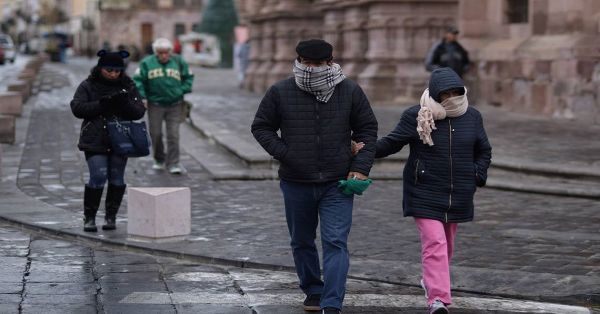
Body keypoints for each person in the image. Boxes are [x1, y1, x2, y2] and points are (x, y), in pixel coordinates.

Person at [251, 39, 378, 314]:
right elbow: (262, 127)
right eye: (308, 64)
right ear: (298, 61)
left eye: (319, 64)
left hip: (338, 182)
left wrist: (361, 166)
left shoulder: (350, 90)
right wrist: (286, 153)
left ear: (330, 63)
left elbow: (367, 131)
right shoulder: (280, 91)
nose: (313, 69)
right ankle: (313, 290)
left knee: (335, 241)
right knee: (301, 240)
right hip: (296, 180)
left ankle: (332, 303)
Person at [363, 68, 491, 314]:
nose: (452, 97)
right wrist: (362, 150)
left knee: (446, 246)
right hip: (424, 190)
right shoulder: (417, 115)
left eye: (456, 92)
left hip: (458, 193)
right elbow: (392, 143)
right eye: (446, 93)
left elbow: (484, 150)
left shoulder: (472, 116)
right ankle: (438, 299)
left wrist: (477, 174)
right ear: (435, 94)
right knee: (435, 242)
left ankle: (431, 281)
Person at [70, 50, 146, 232]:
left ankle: (110, 217)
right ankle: (89, 218)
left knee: (117, 178)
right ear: (101, 68)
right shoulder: (88, 85)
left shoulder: (127, 85)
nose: (113, 74)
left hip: (121, 139)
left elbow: (139, 111)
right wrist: (102, 104)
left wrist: (123, 103)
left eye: (117, 71)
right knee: (98, 176)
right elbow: (77, 108)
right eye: (109, 70)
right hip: (95, 138)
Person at [133, 38, 194, 174]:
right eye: (161, 53)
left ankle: (173, 163)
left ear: (170, 52)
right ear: (156, 52)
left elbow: (189, 76)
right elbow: (138, 80)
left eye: (167, 52)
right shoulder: (146, 63)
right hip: (155, 104)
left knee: (173, 134)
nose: (164, 55)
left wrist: (182, 90)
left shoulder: (179, 61)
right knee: (156, 134)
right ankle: (159, 159)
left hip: (175, 104)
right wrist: (143, 96)